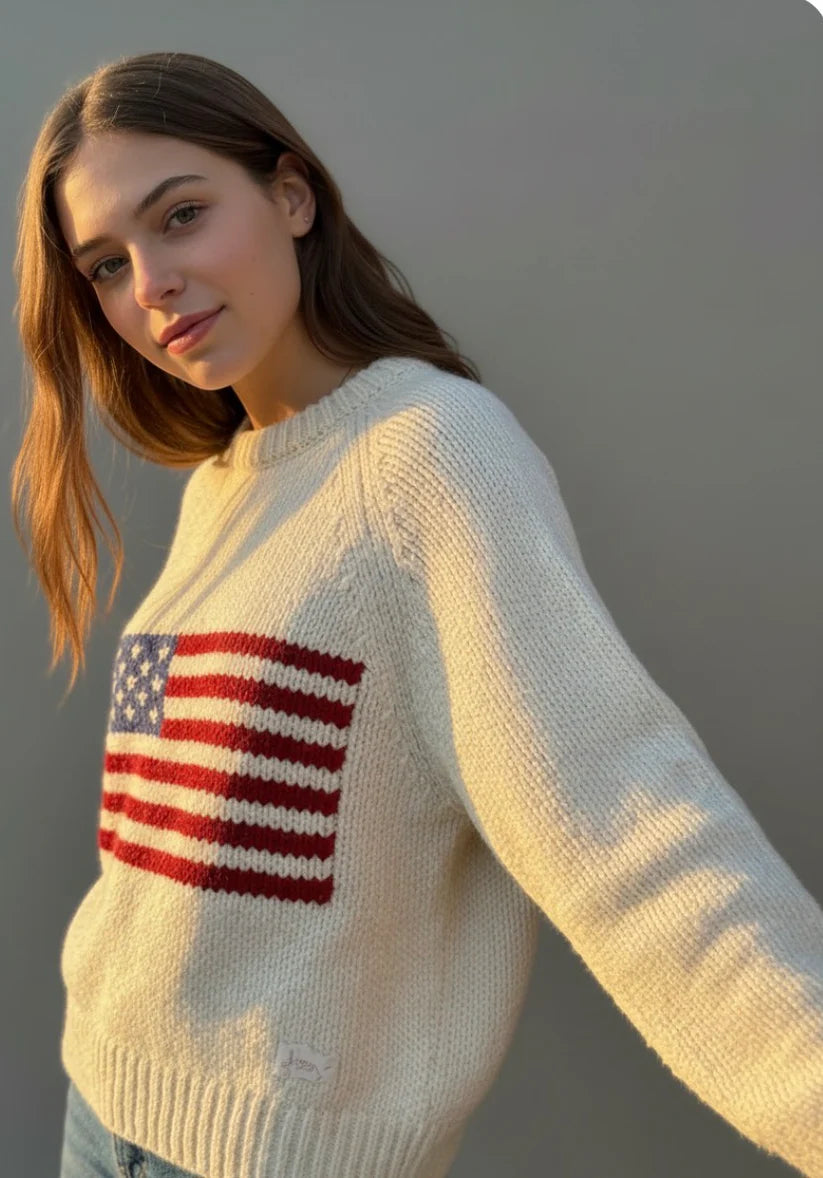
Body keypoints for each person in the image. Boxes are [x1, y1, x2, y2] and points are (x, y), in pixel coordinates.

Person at [11, 49, 823, 1178]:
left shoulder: (428, 458)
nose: (149, 282)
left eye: (182, 215)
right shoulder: (225, 489)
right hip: (101, 1106)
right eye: (105, 264)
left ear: (290, 196)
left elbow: (622, 822)